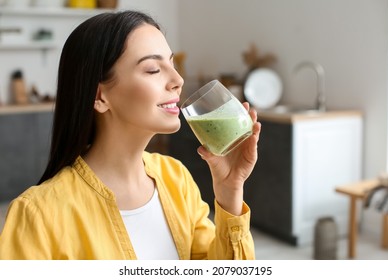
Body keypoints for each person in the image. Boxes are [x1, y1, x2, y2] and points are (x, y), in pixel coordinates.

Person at [0, 10, 261, 260]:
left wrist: (230, 193)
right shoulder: (37, 215)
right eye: (153, 69)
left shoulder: (176, 179)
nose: (178, 79)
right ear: (100, 97)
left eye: (171, 64)